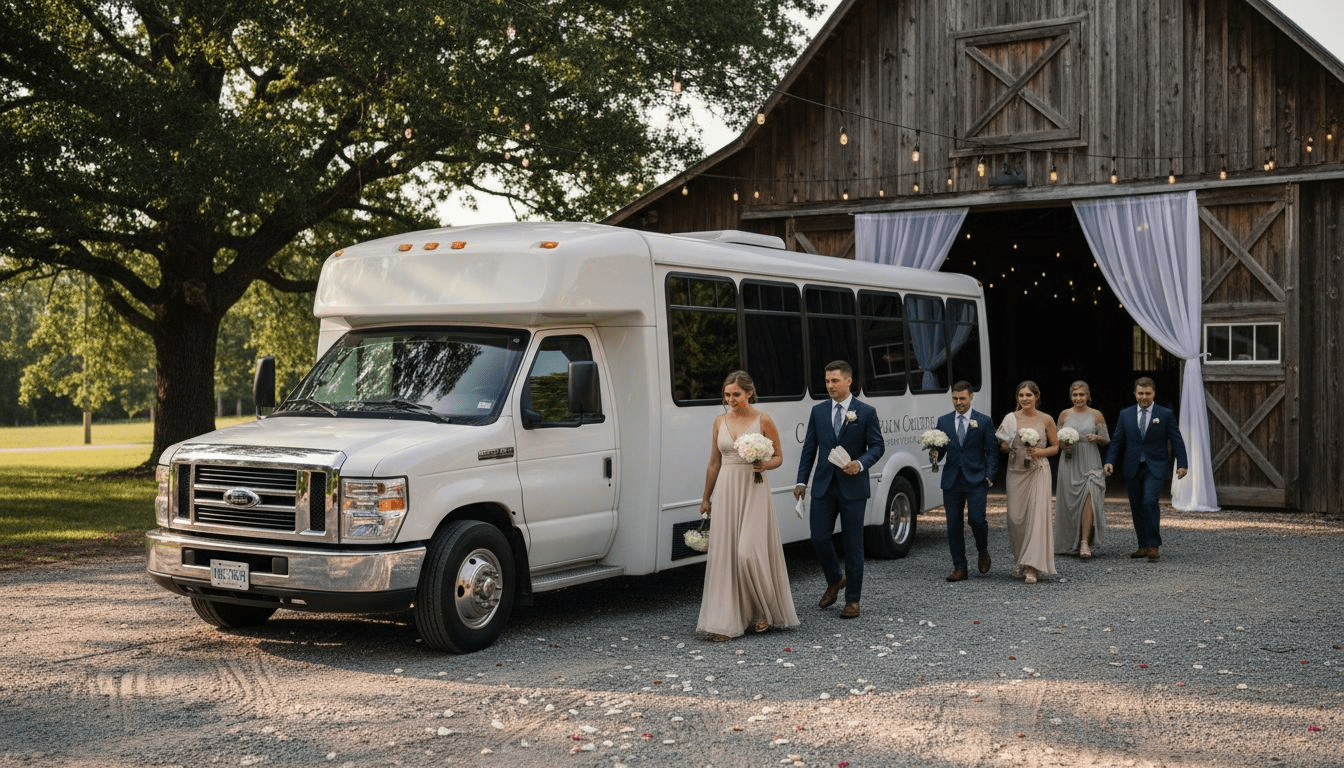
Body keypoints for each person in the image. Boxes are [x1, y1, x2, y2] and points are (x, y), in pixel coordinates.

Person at [695, 371, 800, 641]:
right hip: (727, 490)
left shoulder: (763, 419)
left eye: (736, 395)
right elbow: (714, 462)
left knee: (748, 553)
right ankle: (728, 622)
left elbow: (779, 457)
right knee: (727, 557)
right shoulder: (719, 422)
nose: (731, 399)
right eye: (727, 395)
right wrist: (706, 497)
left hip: (754, 488)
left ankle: (765, 610)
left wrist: (764, 464)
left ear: (749, 393)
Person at [793, 360, 884, 619]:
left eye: (835, 381)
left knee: (853, 545)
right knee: (819, 538)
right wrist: (801, 481)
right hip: (823, 485)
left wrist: (861, 463)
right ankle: (835, 579)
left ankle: (852, 600)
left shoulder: (865, 412)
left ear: (848, 381)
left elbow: (877, 447)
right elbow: (809, 448)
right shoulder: (818, 411)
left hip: (853, 488)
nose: (830, 385)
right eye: (827, 381)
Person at [1104, 376, 1189, 562]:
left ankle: (1153, 545)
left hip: (1155, 466)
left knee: (1149, 501)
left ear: (1154, 393)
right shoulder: (1125, 414)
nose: (1144, 397)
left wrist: (1182, 464)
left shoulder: (1165, 414)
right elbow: (1117, 439)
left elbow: (1176, 440)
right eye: (1140, 393)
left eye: (1147, 393)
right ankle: (1142, 545)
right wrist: (1109, 461)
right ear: (1135, 393)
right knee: (1136, 505)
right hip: (1132, 466)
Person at [929, 381, 998, 582]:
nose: (958, 402)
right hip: (952, 480)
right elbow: (939, 451)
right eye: (955, 398)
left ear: (971, 397)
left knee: (976, 520)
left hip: (977, 478)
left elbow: (992, 452)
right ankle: (960, 566)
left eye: (962, 399)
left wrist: (989, 475)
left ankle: (982, 549)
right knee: (953, 525)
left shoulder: (983, 421)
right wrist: (934, 454)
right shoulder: (944, 421)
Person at [995, 380, 1058, 584]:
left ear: (1036, 397)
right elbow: (1003, 445)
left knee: (1036, 517)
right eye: (1021, 395)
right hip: (1016, 471)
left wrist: (1040, 451)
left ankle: (1033, 566)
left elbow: (1056, 447)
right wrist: (1007, 446)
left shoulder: (1047, 419)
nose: (1024, 399)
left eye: (1028, 395)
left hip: (1038, 470)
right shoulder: (1010, 418)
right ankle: (1020, 559)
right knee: (1015, 518)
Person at [1055, 381, 1109, 559]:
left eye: (1082, 395)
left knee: (1090, 498)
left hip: (1091, 461)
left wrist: (1097, 437)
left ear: (1088, 396)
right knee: (1071, 504)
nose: (1078, 398)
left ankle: (1085, 542)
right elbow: (1056, 442)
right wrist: (1065, 445)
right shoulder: (1064, 415)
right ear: (1071, 396)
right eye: (1075, 395)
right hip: (1070, 462)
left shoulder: (1096, 415)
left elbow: (1106, 440)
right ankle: (1072, 541)